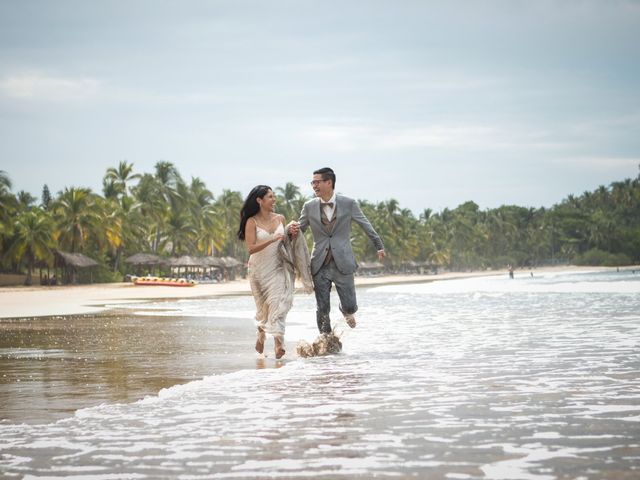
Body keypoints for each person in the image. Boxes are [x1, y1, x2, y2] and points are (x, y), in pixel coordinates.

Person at [290, 167, 385, 334]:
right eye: (312, 182)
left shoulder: (348, 203)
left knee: (350, 305)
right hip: (319, 263)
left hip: (343, 261)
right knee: (322, 307)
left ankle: (346, 311)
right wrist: (291, 233)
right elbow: (301, 230)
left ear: (329, 182)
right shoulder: (309, 206)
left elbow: (365, 224)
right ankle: (325, 341)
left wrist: (379, 245)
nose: (314, 186)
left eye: (317, 182)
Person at [237, 185, 312, 359]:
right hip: (258, 272)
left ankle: (279, 344)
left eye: (274, 196)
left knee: (279, 304)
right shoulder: (251, 222)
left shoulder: (280, 218)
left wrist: (291, 232)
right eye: (270, 197)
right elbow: (251, 249)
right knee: (264, 309)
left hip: (278, 267)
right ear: (259, 200)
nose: (274, 200)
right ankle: (261, 334)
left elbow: (284, 242)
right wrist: (271, 238)